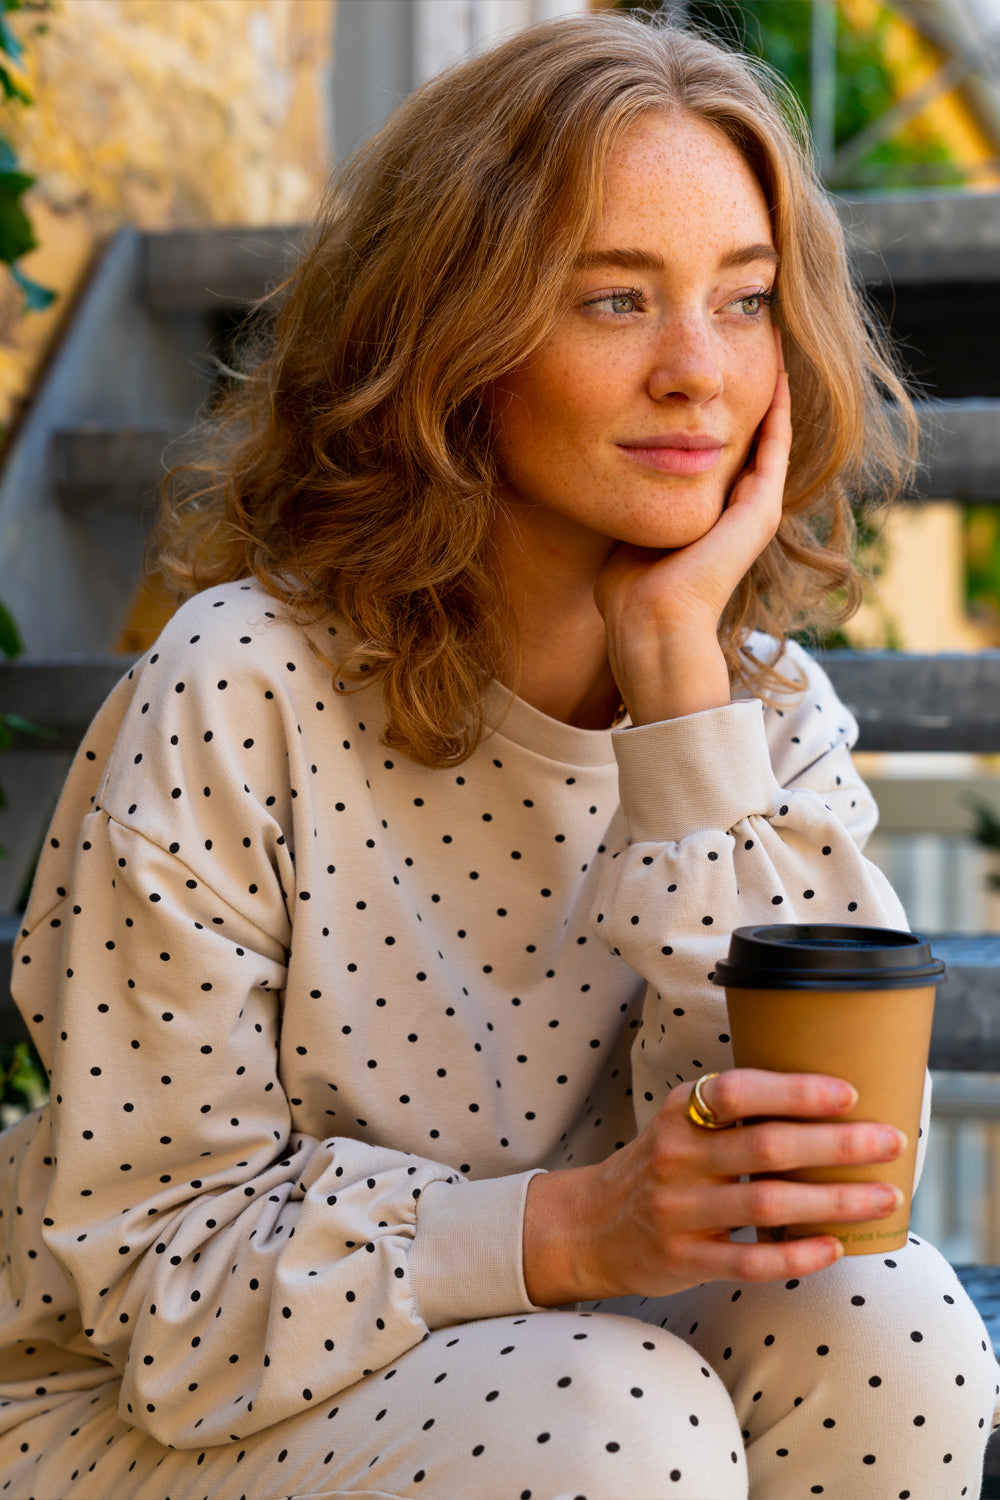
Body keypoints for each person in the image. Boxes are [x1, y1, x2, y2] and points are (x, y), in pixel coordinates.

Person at [1, 11, 997, 1500]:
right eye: (613, 302)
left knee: (892, 1324)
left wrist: (676, 694)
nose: (697, 372)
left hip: (557, 1363)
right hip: (149, 1411)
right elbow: (156, 1291)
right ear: (451, 341)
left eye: (743, 301)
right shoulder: (237, 688)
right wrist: (571, 1231)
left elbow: (828, 1183)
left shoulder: (760, 713)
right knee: (617, 1421)